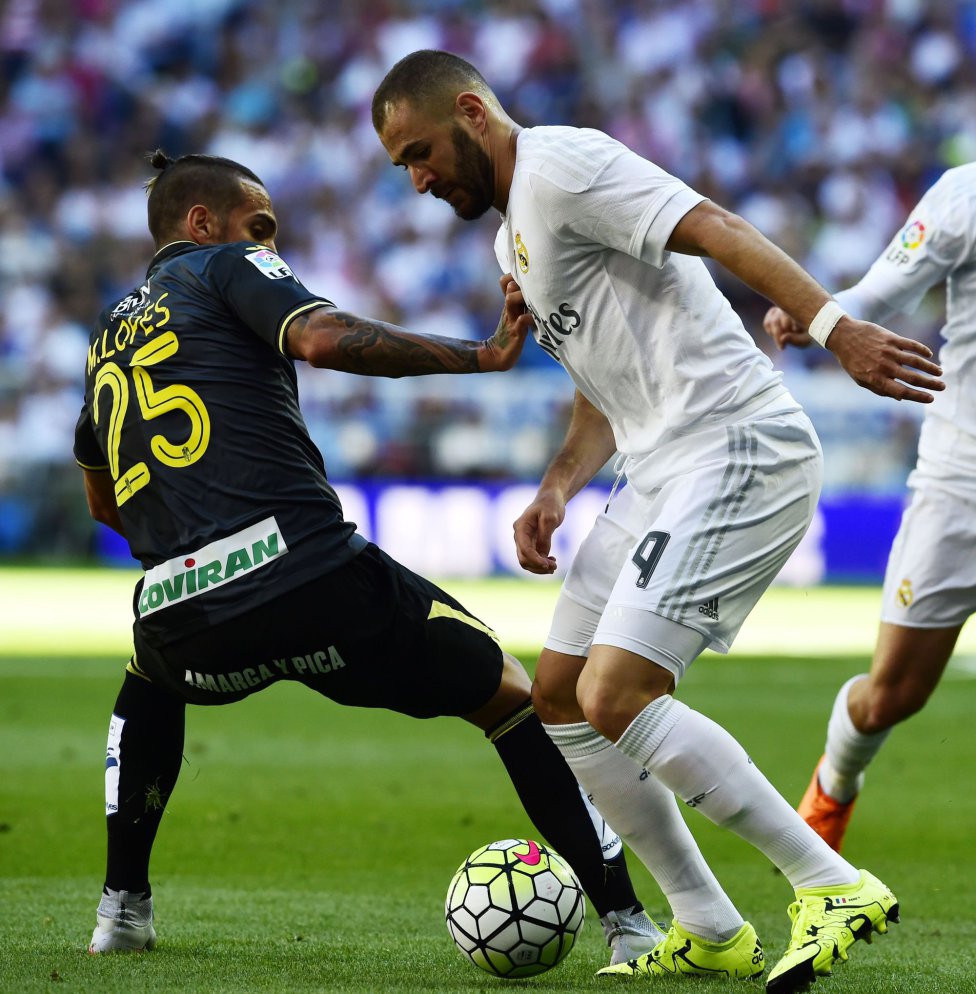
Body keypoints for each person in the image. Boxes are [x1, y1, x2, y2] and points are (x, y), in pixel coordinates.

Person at [371, 50, 945, 994]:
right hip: (657, 467)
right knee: (555, 693)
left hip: (734, 444)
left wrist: (837, 330)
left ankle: (828, 882)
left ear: (473, 112)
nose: (417, 177)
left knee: (615, 695)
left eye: (419, 152)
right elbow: (604, 387)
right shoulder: (513, 235)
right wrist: (558, 486)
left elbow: (713, 226)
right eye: (401, 167)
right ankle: (710, 925)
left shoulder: (563, 166)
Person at [76, 150, 664, 967]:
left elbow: (104, 503)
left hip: (182, 617)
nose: (272, 247)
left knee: (147, 677)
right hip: (309, 577)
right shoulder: (224, 266)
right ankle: (630, 925)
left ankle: (122, 910)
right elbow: (318, 337)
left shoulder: (105, 336)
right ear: (202, 224)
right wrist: (483, 353)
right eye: (260, 227)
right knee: (511, 696)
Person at [764, 162, 976, 853]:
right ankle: (834, 785)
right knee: (891, 695)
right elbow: (886, 286)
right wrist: (823, 313)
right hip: (961, 484)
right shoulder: (964, 195)